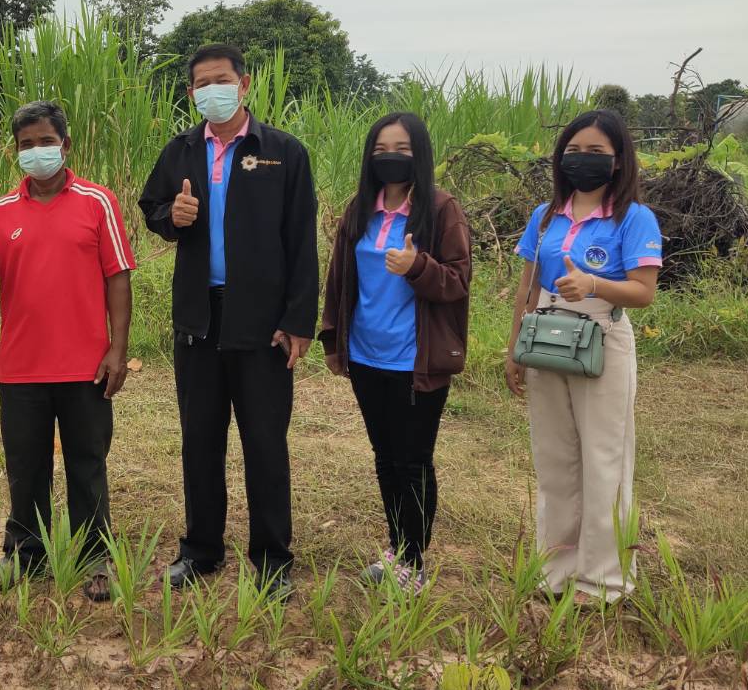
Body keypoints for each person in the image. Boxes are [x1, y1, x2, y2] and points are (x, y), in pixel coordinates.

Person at [139, 43, 318, 594]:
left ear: (243, 84)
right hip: (199, 318)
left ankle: (271, 561)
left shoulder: (282, 152)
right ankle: (201, 550)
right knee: (200, 439)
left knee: (265, 441)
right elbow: (152, 209)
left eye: (220, 79)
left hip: (261, 322)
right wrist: (175, 215)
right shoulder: (181, 150)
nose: (210, 90)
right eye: (199, 83)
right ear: (191, 93)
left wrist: (298, 321)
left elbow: (301, 241)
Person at [0, 101, 134, 601]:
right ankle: (24, 554)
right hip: (21, 368)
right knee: (26, 466)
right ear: (15, 151)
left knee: (87, 462)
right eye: (25, 144)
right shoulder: (0, 212)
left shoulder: (96, 202)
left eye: (45, 141)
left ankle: (95, 554)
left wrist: (117, 349)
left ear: (66, 145)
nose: (36, 152)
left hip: (85, 365)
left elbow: (118, 277)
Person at [505, 109, 662, 602]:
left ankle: (602, 581)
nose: (582, 161)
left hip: (601, 334)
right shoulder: (546, 215)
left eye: (596, 153)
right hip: (545, 334)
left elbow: (643, 292)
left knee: (603, 456)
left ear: (617, 162)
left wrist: (593, 283)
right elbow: (526, 287)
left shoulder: (633, 218)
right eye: (574, 151)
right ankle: (556, 570)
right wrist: (515, 351)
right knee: (555, 457)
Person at [319, 112, 471, 592]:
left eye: (402, 149)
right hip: (366, 356)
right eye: (382, 148)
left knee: (413, 461)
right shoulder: (359, 208)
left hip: (415, 361)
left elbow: (458, 282)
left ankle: (412, 560)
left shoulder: (441, 210)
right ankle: (396, 548)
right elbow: (339, 279)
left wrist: (416, 266)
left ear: (419, 154)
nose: (391, 157)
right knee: (385, 458)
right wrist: (331, 339)